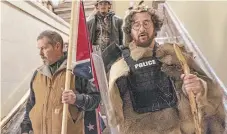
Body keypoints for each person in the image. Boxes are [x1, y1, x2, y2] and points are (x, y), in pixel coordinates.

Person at [106, 2, 225, 134]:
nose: (142, 29)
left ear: (154, 26)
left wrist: (199, 88)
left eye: (146, 23)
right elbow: (116, 116)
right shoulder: (119, 68)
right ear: (130, 30)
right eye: (136, 24)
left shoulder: (176, 57)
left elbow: (212, 97)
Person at [20, 30, 101, 134]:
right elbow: (31, 105)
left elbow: (95, 99)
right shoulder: (37, 74)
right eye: (39, 49)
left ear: (57, 46)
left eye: (44, 48)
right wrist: (25, 128)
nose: (40, 53)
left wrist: (77, 99)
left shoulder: (76, 71)